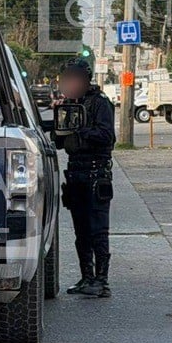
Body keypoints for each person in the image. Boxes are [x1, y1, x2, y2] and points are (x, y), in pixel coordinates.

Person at [55, 57, 115, 298]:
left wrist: (80, 130)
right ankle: (86, 277)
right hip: (75, 172)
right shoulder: (70, 104)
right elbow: (59, 140)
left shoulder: (99, 103)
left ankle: (101, 280)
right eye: (66, 79)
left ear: (85, 80)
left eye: (74, 79)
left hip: (96, 171)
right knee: (81, 231)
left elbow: (107, 136)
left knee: (98, 230)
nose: (69, 84)